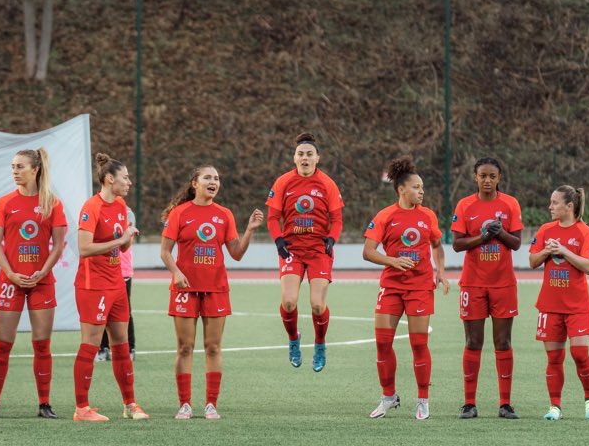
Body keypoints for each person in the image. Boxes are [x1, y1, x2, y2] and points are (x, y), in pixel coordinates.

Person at [160, 166, 263, 419]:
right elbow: (165, 252)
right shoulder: (179, 213)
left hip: (216, 289)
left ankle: (211, 404)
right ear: (195, 183)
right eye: (207, 177)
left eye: (216, 178)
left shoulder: (224, 214)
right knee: (185, 347)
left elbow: (236, 253)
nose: (213, 181)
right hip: (185, 289)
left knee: (213, 347)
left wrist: (249, 230)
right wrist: (176, 272)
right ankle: (184, 404)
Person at [363, 156, 449, 420]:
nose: (421, 191)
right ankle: (388, 397)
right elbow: (368, 251)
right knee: (382, 343)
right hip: (391, 286)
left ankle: (423, 400)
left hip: (420, 287)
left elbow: (437, 245)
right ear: (401, 189)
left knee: (419, 344)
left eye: (422, 187)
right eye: (416, 187)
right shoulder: (385, 216)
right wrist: (392, 261)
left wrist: (441, 271)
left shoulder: (427, 216)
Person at [0, 148, 67, 419]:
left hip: (42, 282)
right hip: (10, 281)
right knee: (2, 344)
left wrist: (42, 272)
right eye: (13, 167)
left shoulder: (52, 203)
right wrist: (10, 273)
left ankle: (44, 404)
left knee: (42, 345)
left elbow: (59, 245)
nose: (15, 171)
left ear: (35, 169)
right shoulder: (5, 203)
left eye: (20, 166)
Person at [71, 153, 148, 422]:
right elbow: (84, 248)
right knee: (90, 345)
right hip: (93, 286)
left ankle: (130, 404)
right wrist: (120, 239)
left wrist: (128, 237)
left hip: (116, 284)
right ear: (110, 179)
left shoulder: (121, 205)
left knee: (121, 345)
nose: (129, 182)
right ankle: (82, 409)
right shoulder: (91, 207)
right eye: (125, 177)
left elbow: (122, 247)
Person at [451, 158, 523, 419]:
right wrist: (483, 237)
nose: (487, 180)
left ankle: (505, 404)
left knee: (503, 342)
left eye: (492, 176)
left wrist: (500, 233)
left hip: (503, 284)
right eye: (483, 175)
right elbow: (457, 244)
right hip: (473, 283)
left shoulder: (510, 204)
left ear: (499, 178)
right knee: (473, 341)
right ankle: (469, 403)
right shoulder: (465, 205)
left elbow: (516, 243)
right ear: (475, 177)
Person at [266, 132, 344, 372]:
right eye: (301, 154)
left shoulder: (327, 184)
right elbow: (272, 218)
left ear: (317, 158)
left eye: (310, 154)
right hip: (292, 250)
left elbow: (337, 219)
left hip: (318, 250)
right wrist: (278, 240)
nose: (305, 158)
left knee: (317, 305)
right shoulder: (283, 182)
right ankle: (293, 340)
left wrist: (332, 238)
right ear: (294, 158)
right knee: (289, 302)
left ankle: (320, 344)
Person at [528, 185, 589, 421]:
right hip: (549, 305)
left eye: (555, 203)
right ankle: (555, 407)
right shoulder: (546, 230)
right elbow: (532, 261)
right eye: (551, 202)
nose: (550, 207)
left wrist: (564, 251)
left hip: (578, 306)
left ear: (569, 206)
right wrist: (546, 252)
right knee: (554, 358)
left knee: (580, 354)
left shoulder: (585, 232)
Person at [97, 206, 136, 362]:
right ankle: (103, 348)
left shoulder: (127, 212)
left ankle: (130, 348)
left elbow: (127, 241)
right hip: (104, 270)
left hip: (122, 270)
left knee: (125, 312)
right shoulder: (98, 209)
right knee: (102, 311)